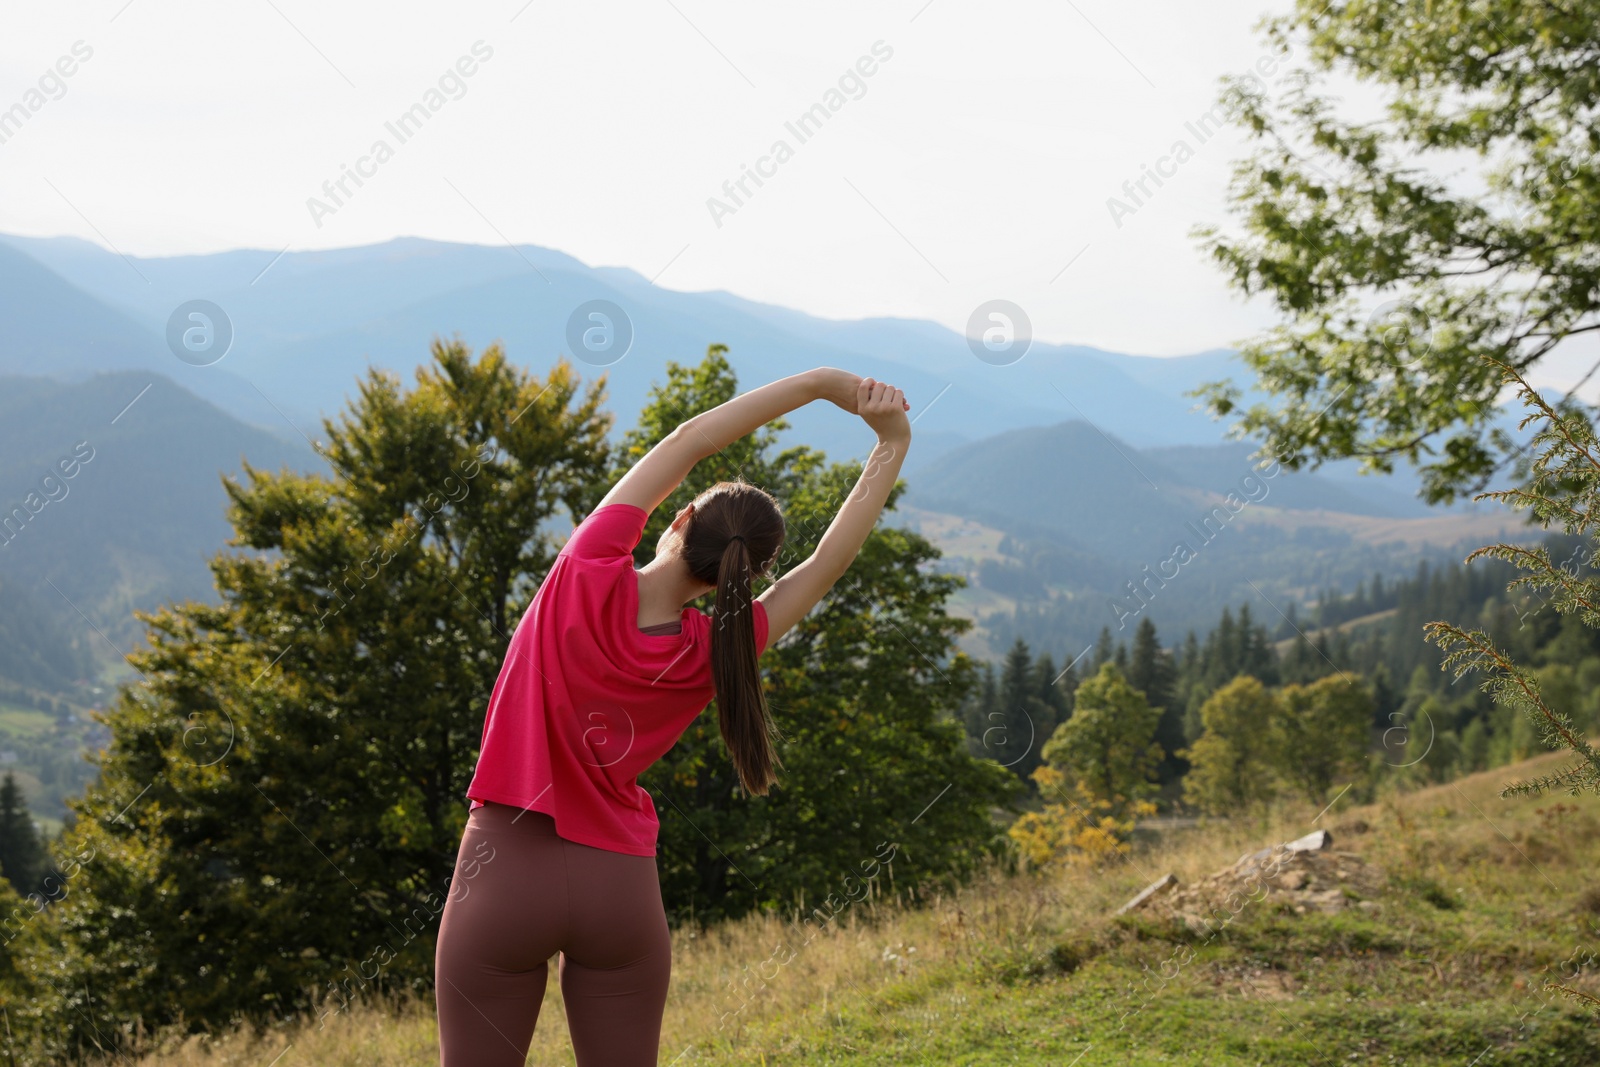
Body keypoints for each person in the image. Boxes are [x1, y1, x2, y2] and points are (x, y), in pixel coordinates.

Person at [434, 368, 911, 1066]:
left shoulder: (587, 566)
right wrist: (890, 444)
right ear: (740, 577)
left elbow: (692, 439)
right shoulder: (721, 646)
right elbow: (826, 563)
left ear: (681, 517)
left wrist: (817, 385)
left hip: (505, 864)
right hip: (619, 887)